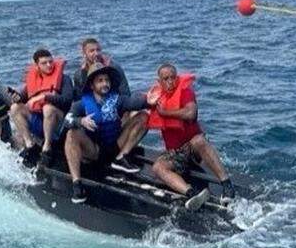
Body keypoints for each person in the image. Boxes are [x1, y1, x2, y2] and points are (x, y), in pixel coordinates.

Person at [65, 64, 209, 209]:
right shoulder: (81, 104)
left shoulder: (117, 100)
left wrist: (148, 101)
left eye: (107, 80)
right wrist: (80, 121)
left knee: (143, 117)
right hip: (94, 150)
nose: (105, 84)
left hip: (115, 145)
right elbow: (67, 120)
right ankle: (77, 183)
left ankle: (121, 158)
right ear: (92, 84)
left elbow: (133, 102)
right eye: (100, 80)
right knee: (72, 134)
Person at [147, 63, 236, 202]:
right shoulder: (156, 98)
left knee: (199, 140)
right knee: (158, 167)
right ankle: (191, 194)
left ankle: (227, 185)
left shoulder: (186, 92)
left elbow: (191, 113)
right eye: (166, 79)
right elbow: (135, 105)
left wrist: (165, 113)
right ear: (159, 82)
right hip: (175, 154)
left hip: (192, 149)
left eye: (173, 78)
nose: (170, 81)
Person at [9, 48, 74, 167]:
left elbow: (67, 101)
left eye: (50, 61)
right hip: (40, 123)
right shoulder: (34, 81)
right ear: (37, 66)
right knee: (15, 108)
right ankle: (30, 145)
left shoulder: (64, 79)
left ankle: (47, 148)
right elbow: (23, 99)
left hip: (58, 125)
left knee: (47, 108)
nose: (49, 65)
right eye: (44, 63)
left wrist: (45, 97)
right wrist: (17, 97)